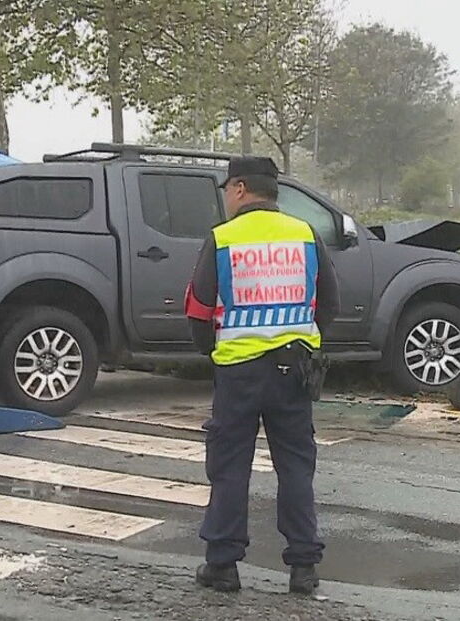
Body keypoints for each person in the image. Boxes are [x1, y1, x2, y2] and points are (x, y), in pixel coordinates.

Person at [184, 156, 341, 595]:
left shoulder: (223, 238)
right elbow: (329, 303)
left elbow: (197, 310)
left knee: (231, 466)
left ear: (238, 189)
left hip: (238, 372)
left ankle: (223, 565)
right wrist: (305, 340)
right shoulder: (305, 234)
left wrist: (213, 353)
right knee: (295, 467)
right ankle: (304, 567)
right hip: (294, 370)